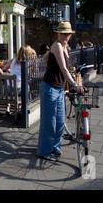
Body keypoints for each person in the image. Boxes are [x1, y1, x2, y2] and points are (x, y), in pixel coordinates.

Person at [37, 21, 84, 162]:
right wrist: (74, 84)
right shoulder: (57, 46)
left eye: (67, 34)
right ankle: (44, 151)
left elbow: (46, 57)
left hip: (58, 88)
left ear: (70, 35)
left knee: (60, 120)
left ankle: (55, 147)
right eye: (62, 33)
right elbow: (63, 68)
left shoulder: (65, 47)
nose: (64, 36)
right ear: (58, 33)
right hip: (50, 87)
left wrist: (49, 62)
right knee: (49, 122)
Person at [3, 45, 35, 115]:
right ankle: (20, 106)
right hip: (18, 90)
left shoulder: (13, 60)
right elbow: (27, 77)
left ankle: (8, 106)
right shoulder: (27, 64)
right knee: (27, 88)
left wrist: (11, 70)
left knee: (14, 85)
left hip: (7, 89)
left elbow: (5, 69)